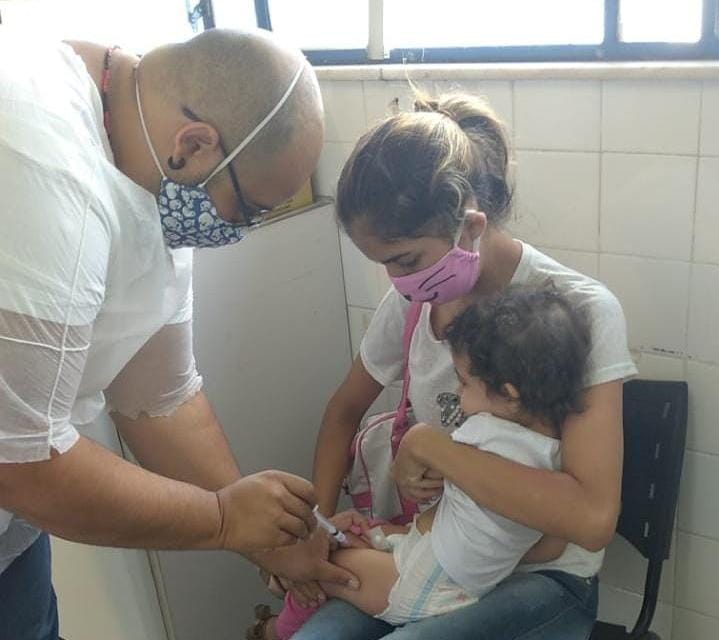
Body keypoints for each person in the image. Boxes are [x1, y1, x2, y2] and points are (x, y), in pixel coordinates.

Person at [0, 27, 357, 639]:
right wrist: (221, 519)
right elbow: (21, 462)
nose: (236, 231)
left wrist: (269, 537)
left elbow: (160, 397)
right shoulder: (38, 163)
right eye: (246, 210)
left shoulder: (155, 171)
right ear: (194, 144)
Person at [291, 92, 638, 639]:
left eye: (406, 260)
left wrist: (433, 448)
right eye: (384, 265)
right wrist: (317, 526)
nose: (398, 282)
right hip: (433, 552)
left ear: (470, 226)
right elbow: (343, 412)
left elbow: (591, 520)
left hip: (543, 576)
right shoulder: (413, 302)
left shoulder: (578, 313)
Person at [248, 283, 594, 640]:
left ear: (509, 394)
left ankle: (275, 632)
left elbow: (431, 508)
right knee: (349, 540)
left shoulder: (481, 436)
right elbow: (549, 546)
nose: (458, 393)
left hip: (421, 581)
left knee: (317, 566)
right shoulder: (555, 455)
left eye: (464, 383)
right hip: (459, 584)